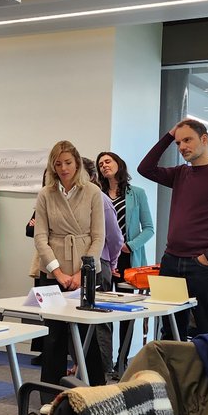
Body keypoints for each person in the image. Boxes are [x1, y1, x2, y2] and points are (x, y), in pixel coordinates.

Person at [138, 119, 208, 338]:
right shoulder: (180, 174)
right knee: (170, 329)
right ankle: (176, 373)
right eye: (178, 143)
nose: (182, 147)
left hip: (203, 266)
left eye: (187, 140)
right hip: (171, 262)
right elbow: (145, 168)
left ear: (204, 139)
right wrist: (169, 135)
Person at [31, 140, 105, 385]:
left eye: (68, 163)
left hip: (84, 270)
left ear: (77, 163)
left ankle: (96, 391)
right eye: (58, 163)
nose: (63, 168)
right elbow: (40, 237)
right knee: (53, 336)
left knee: (86, 333)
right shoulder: (45, 194)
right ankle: (50, 393)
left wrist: (80, 273)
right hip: (52, 270)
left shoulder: (93, 192)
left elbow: (98, 238)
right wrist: (58, 272)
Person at [97, 150, 154, 366]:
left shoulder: (136, 193)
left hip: (128, 259)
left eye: (108, 161)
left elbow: (149, 228)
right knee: (102, 310)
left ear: (119, 164)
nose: (104, 165)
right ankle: (105, 362)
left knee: (125, 313)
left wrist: (129, 245)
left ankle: (122, 362)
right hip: (103, 257)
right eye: (100, 163)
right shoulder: (96, 193)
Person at [81, 156, 124, 378]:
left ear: (90, 177)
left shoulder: (100, 199)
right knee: (82, 322)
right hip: (78, 267)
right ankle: (85, 369)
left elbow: (116, 238)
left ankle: (103, 371)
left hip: (100, 264)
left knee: (100, 323)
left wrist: (112, 262)